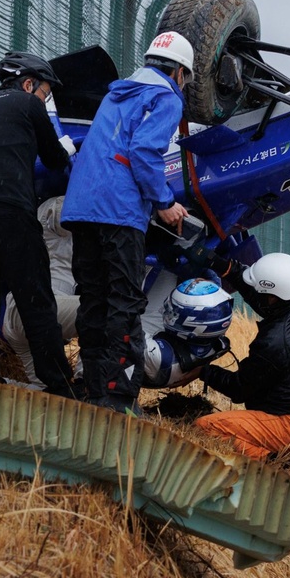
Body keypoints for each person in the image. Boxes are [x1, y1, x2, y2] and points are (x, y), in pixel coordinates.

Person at [61, 31, 193, 413]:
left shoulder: (117, 93)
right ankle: (117, 400)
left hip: (82, 207)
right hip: (119, 211)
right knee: (124, 303)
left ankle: (92, 390)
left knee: (93, 300)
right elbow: (144, 150)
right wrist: (164, 202)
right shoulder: (167, 96)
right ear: (180, 73)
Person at [0, 52, 76, 397]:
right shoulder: (27, 104)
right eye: (45, 92)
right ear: (28, 84)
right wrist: (66, 149)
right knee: (36, 303)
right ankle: (60, 385)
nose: (44, 100)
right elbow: (54, 159)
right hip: (9, 214)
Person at [190, 253, 290, 466]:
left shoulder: (275, 342)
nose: (255, 292)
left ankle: (281, 469)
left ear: (271, 296)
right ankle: (276, 461)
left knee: (207, 427)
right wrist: (216, 261)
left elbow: (239, 388)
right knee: (236, 438)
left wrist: (202, 371)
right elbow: (259, 294)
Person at [0, 196, 80, 388]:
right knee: (108, 312)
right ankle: (85, 382)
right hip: (39, 308)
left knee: (53, 394)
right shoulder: (57, 206)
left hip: (23, 315)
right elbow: (66, 214)